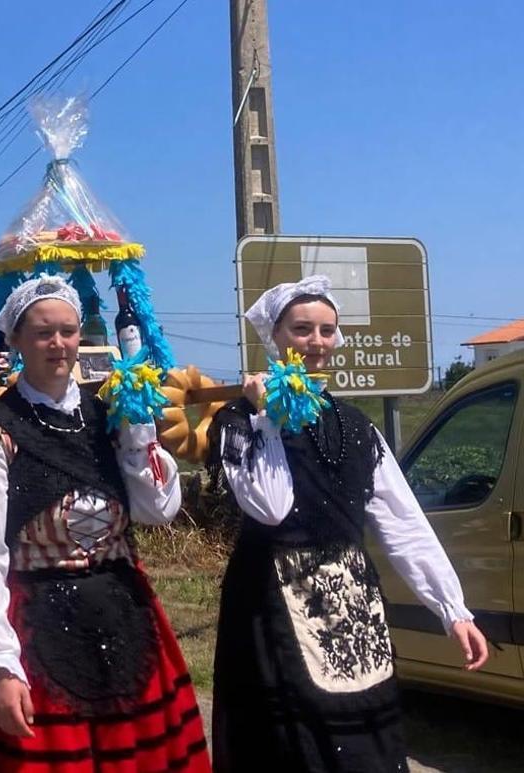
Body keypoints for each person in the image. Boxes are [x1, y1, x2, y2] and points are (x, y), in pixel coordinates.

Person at [207, 275, 489, 772]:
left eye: (326, 330)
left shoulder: (357, 427)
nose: (316, 342)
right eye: (302, 329)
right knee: (289, 748)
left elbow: (402, 523)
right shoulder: (239, 421)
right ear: (274, 336)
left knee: (362, 745)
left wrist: (453, 610)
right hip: (270, 604)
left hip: (349, 603)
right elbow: (270, 506)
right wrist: (267, 417)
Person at [0, 276, 209, 772]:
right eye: (44, 333)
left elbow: (158, 511)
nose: (58, 344)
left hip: (125, 618)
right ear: (16, 341)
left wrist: (140, 433)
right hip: (38, 627)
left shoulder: (110, 416)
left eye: (68, 331)